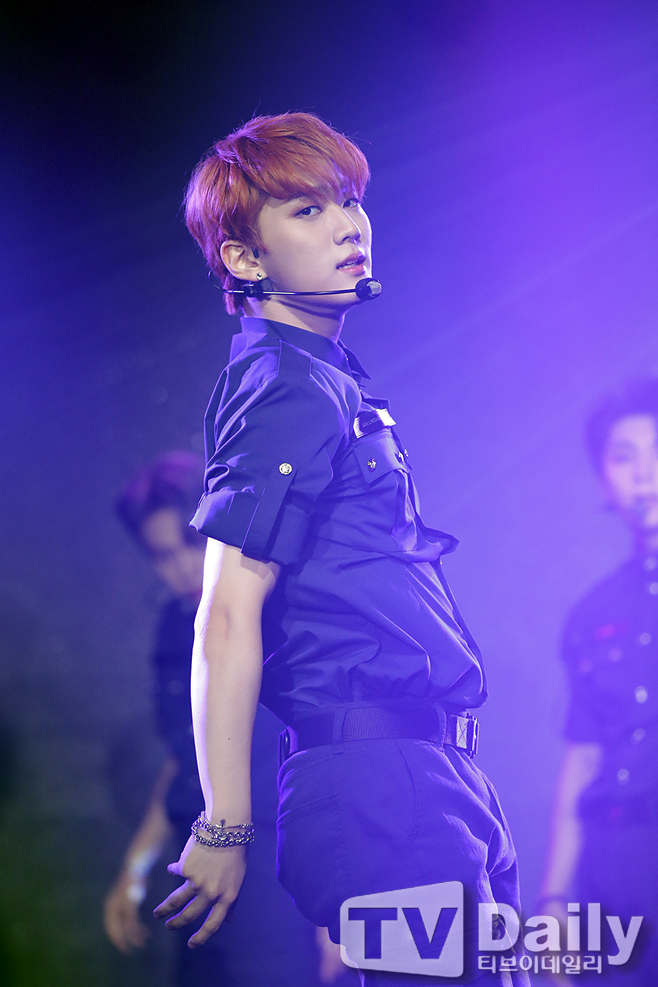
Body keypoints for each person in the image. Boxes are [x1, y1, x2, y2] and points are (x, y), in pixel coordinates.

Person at [153, 112, 527, 987]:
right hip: (380, 780)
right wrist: (224, 821)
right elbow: (226, 611)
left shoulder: (325, 379)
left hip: (429, 774)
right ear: (244, 258)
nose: (349, 224)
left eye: (350, 200)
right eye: (307, 210)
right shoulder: (283, 385)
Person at [104, 450, 346, 986]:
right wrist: (135, 867)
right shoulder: (174, 627)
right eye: (162, 555)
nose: (181, 567)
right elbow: (186, 757)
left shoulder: (275, 616)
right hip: (199, 863)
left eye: (191, 545)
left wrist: (336, 900)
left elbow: (329, 753)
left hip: (277, 868)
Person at [539, 378, 658, 985]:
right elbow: (583, 758)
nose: (645, 473)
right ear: (604, 482)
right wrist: (553, 904)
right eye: (623, 456)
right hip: (616, 868)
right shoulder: (593, 614)